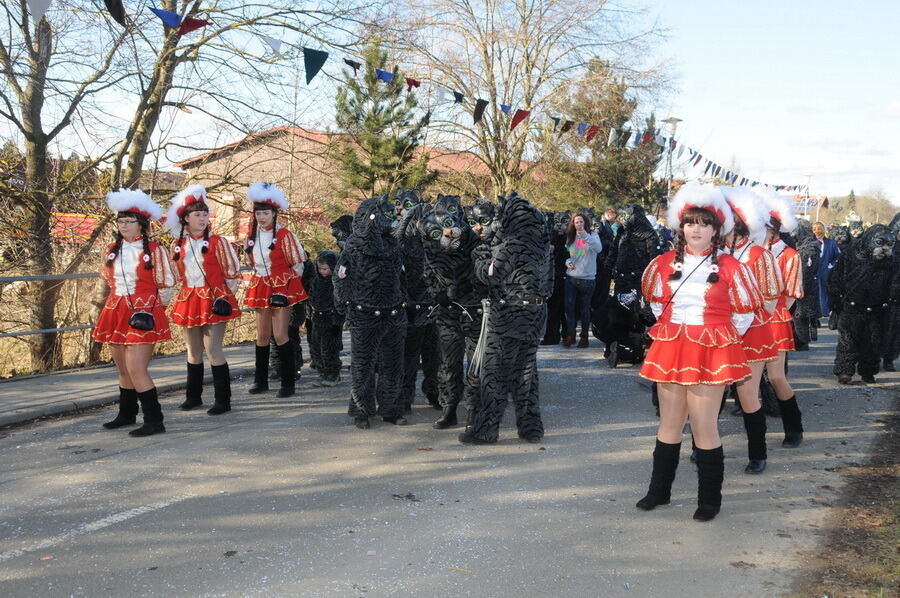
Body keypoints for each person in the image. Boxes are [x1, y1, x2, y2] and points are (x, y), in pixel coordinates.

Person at [636, 182, 761, 521]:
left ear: (716, 229)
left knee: (704, 425)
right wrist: (676, 327)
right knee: (669, 423)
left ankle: (709, 500)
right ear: (681, 226)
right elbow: (654, 301)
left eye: (704, 223)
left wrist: (719, 338)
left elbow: (745, 313)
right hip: (672, 348)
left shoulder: (732, 267)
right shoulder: (662, 263)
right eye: (691, 222)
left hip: (711, 352)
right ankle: (658, 491)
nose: (696, 229)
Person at [93, 189, 176, 437]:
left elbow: (167, 283)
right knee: (123, 369)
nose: (124, 225)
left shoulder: (155, 249)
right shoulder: (111, 248)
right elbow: (108, 279)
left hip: (143, 310)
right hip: (115, 309)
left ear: (141, 224)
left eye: (130, 221)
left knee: (136, 368)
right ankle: (127, 414)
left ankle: (154, 420)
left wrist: (153, 310)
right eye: (120, 221)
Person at [720, 186, 784, 474]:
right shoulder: (714, 254)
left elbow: (771, 298)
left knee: (747, 393)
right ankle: (702, 446)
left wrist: (747, 320)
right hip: (716, 331)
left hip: (751, 330)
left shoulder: (760, 255)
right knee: (711, 391)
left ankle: (758, 453)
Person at [166, 185, 242, 415]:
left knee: (213, 349)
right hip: (189, 298)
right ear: (185, 219)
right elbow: (177, 275)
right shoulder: (178, 245)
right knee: (193, 351)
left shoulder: (219, 242)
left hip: (215, 298)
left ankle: (223, 400)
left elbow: (232, 272)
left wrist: (224, 297)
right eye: (196, 215)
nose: (202, 218)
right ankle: (193, 397)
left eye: (204, 214)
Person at [242, 182, 308, 398]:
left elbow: (297, 264)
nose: (262, 217)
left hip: (282, 286)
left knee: (280, 335)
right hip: (261, 284)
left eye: (266, 213)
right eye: (258, 213)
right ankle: (260, 381)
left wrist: (288, 286)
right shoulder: (251, 237)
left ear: (274, 213)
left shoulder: (285, 235)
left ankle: (288, 382)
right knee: (261, 336)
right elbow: (251, 262)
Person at [758, 189, 805, 449]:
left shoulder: (790, 255)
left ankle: (794, 426)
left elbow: (792, 294)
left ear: (773, 229)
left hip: (774, 318)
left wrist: (771, 312)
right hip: (749, 318)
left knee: (776, 376)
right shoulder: (751, 252)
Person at [562, 212, 603, 347]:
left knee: (585, 309)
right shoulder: (571, 237)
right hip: (571, 278)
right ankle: (571, 335)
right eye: (576, 222)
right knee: (569, 308)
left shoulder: (592, 235)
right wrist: (568, 262)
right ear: (573, 224)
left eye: (581, 221)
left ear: (585, 223)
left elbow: (598, 249)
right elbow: (573, 256)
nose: (578, 224)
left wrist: (585, 235)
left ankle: (584, 337)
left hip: (587, 279)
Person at [307, 251, 344, 386]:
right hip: (318, 317)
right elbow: (311, 296)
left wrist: (338, 320)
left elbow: (339, 301)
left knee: (330, 348)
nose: (322, 271)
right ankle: (323, 372)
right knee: (316, 347)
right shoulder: (316, 281)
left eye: (325, 269)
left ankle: (333, 374)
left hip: (331, 318)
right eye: (320, 268)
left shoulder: (336, 282)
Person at [814, 221, 840, 317]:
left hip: (826, 272)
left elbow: (838, 256)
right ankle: (816, 313)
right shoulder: (810, 243)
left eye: (820, 229)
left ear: (824, 230)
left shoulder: (832, 243)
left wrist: (831, 265)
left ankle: (824, 311)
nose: (817, 231)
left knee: (825, 292)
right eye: (815, 229)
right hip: (813, 272)